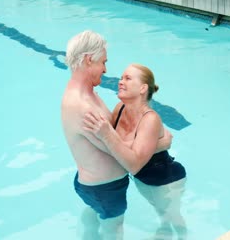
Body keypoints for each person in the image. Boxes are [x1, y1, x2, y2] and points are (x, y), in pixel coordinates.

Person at [61, 31, 171, 240]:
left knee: (94, 217)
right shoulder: (82, 106)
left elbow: (112, 137)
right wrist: (160, 143)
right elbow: (128, 158)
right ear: (88, 59)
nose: (105, 69)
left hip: (93, 186)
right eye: (103, 62)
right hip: (105, 189)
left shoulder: (85, 93)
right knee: (114, 231)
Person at [83, 64, 187, 240]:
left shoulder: (150, 118)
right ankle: (164, 227)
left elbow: (124, 150)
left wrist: (160, 144)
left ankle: (183, 237)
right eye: (121, 78)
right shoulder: (120, 108)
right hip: (142, 178)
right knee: (160, 211)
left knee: (173, 216)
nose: (120, 82)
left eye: (127, 78)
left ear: (142, 88)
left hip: (166, 179)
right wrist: (160, 144)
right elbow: (117, 146)